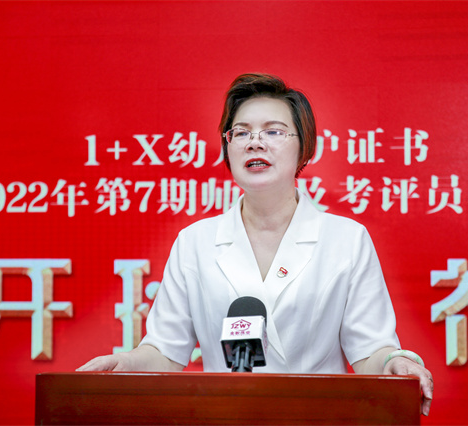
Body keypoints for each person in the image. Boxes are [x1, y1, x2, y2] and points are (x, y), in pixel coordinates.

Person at [78, 73, 434, 416]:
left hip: (316, 417)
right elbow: (164, 352)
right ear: (228, 147)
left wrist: (396, 362)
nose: (255, 142)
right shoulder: (195, 242)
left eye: (273, 131)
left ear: (304, 147)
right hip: (225, 416)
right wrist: (127, 362)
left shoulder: (346, 239)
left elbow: (371, 351)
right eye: (241, 132)